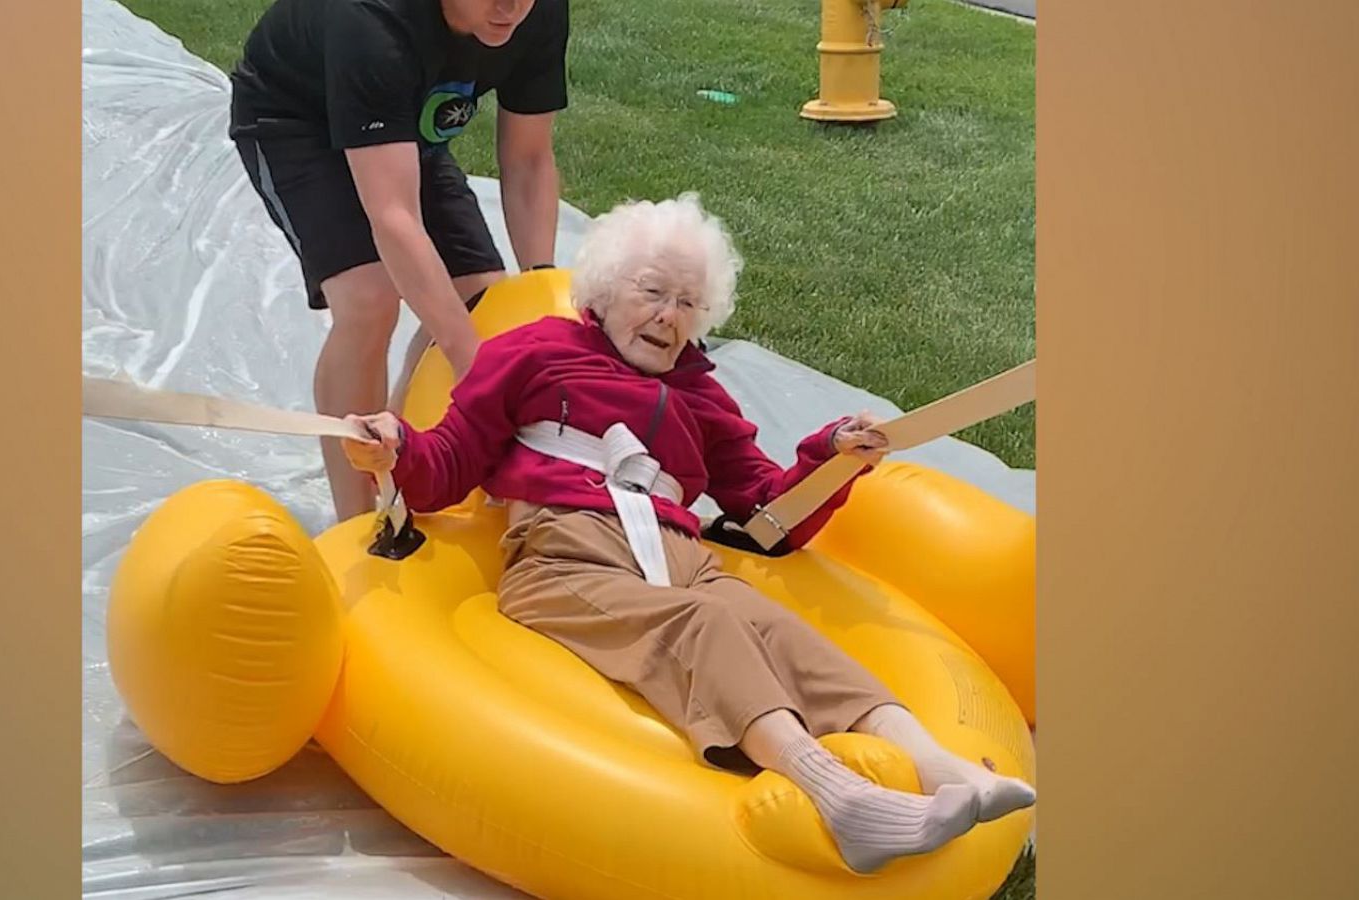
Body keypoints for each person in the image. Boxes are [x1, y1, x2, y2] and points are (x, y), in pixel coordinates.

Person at [339, 193, 1037, 873]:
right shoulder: (536, 353)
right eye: (651, 293)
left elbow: (769, 515)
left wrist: (830, 458)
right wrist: (395, 448)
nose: (668, 318)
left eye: (687, 305)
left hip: (678, 556)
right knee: (701, 621)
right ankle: (840, 796)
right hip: (563, 556)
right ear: (606, 291)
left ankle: (942, 768)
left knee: (775, 627)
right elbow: (449, 463)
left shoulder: (702, 396)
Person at [227, 0, 569, 521]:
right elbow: (393, 216)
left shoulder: (535, 10)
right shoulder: (370, 18)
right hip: (296, 119)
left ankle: (407, 463)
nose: (510, 7)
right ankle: (360, 520)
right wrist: (474, 367)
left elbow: (528, 159)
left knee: (483, 300)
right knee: (370, 300)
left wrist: (541, 292)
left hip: (400, 122)